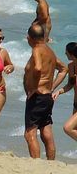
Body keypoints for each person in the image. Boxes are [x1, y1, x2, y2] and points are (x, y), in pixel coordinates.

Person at [23, 23, 67, 159]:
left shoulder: (37, 49)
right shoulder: (50, 52)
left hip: (37, 97)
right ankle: (50, 164)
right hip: (47, 97)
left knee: (30, 134)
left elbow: (37, 68)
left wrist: (34, 88)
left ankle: (37, 166)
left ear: (31, 38)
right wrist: (52, 87)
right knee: (46, 132)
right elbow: (64, 69)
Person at [54, 42, 77, 144]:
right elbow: (70, 85)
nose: (65, 53)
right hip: (75, 105)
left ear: (72, 54)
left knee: (68, 128)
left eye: (66, 52)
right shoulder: (71, 67)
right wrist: (59, 91)